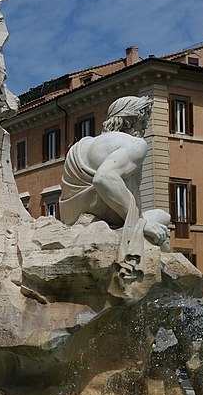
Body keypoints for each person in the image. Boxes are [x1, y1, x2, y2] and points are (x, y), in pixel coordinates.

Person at [59, 96, 171, 282]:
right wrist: (140, 223)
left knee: (160, 216)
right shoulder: (135, 144)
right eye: (143, 122)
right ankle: (165, 281)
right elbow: (104, 178)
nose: (144, 129)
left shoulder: (81, 145)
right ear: (132, 120)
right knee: (162, 217)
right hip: (112, 216)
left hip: (74, 218)